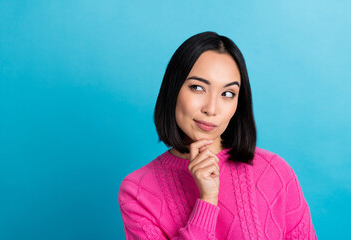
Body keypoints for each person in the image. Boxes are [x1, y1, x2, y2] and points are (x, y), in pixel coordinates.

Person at [118, 31, 317, 239]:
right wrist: (207, 200)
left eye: (227, 94)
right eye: (197, 87)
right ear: (173, 89)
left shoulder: (275, 173)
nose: (211, 109)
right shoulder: (137, 191)